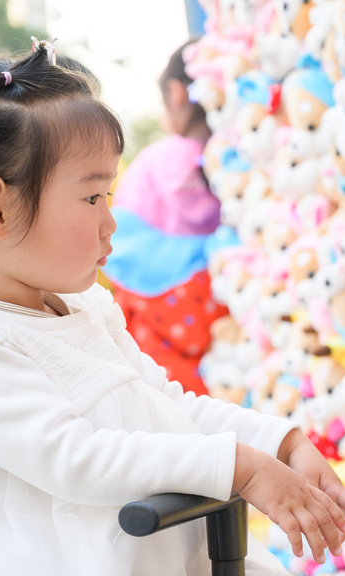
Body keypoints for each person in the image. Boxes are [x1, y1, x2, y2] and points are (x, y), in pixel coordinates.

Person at [0, 42, 345, 576]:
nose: (111, 222)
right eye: (92, 197)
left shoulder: (87, 307)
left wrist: (280, 444)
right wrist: (240, 467)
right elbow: (77, 459)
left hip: (146, 548)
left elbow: (165, 403)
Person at [102, 40, 226, 395]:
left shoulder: (165, 154)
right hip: (212, 289)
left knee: (166, 385)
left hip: (150, 298)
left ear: (176, 93)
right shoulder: (228, 153)